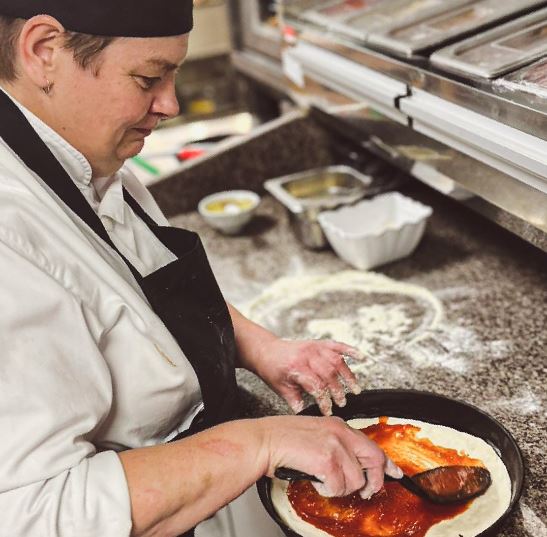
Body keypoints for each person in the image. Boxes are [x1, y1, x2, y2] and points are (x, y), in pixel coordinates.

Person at [0, 2, 403, 536]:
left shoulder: (83, 157)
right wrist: (260, 441)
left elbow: (138, 303)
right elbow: (34, 511)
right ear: (44, 51)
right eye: (148, 77)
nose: (170, 103)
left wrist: (261, 348)